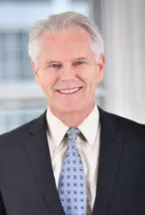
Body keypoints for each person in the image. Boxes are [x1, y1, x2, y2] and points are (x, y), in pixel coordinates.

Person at [0, 11, 145, 215]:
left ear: (100, 66)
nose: (67, 76)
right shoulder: (5, 153)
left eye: (79, 62)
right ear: (36, 73)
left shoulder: (140, 144)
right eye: (54, 65)